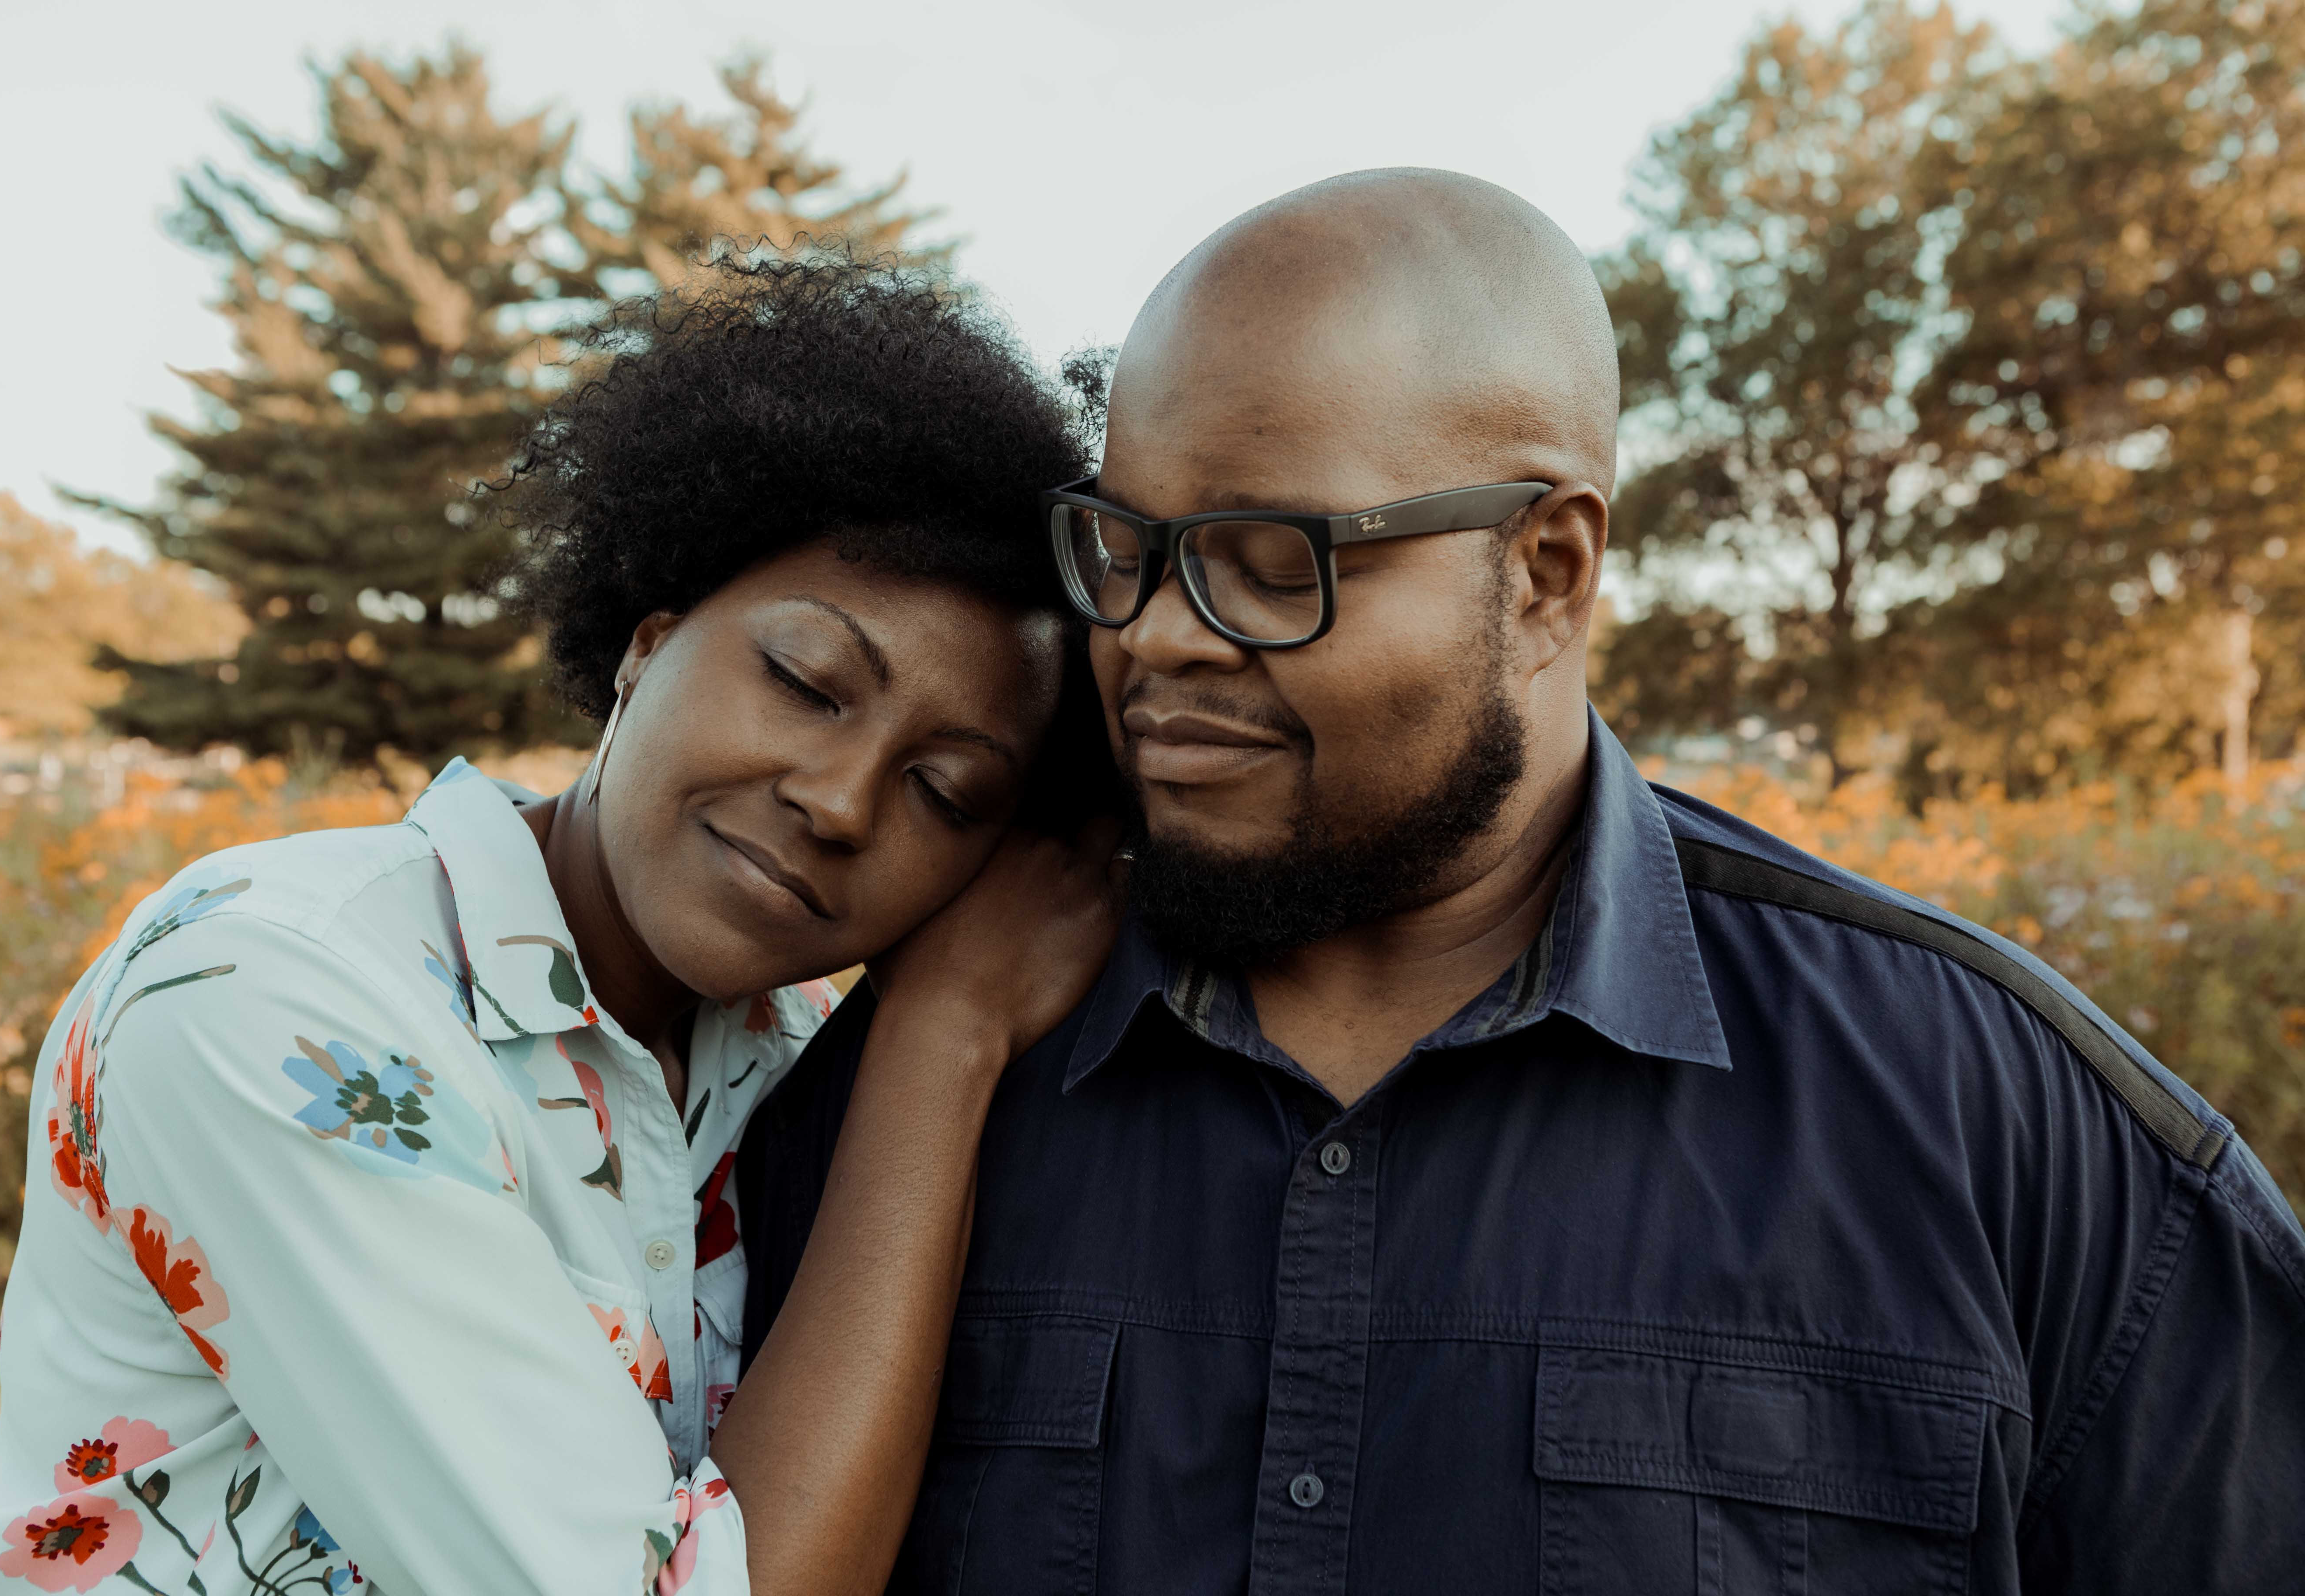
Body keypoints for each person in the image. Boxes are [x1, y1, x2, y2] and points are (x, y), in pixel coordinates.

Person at [738, 171, 2305, 1594]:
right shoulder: (903, 1095)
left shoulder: (2005, 1136)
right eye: (1124, 552)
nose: (1155, 636)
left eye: (1273, 566)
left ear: (1548, 573)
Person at [0, 256, 1118, 1596]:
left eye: (947, 791)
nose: (844, 801)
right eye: (806, 681)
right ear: (647, 641)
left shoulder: (794, 1054)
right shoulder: (270, 995)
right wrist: (945, 1032)